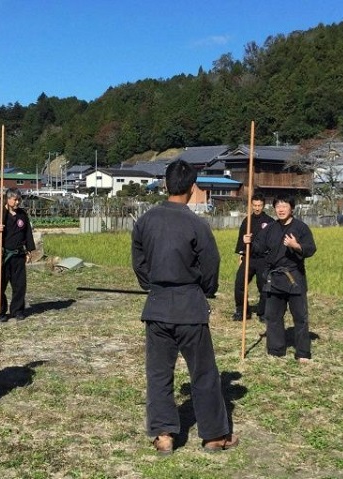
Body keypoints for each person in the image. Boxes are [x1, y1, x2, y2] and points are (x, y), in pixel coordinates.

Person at [131, 159, 239, 455]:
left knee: (158, 373)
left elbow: (139, 263)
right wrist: (205, 289)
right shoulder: (197, 224)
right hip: (191, 307)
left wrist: (149, 284)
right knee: (203, 373)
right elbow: (211, 264)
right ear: (193, 189)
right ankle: (215, 436)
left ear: (165, 185)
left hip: (157, 307)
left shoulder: (145, 221)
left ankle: (163, 435)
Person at [244, 193, 316, 364]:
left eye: (284, 206)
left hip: (294, 276)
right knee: (273, 315)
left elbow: (311, 249)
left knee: (300, 316)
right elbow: (259, 248)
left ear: (291, 208)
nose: (281, 209)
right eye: (278, 206)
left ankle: (303, 353)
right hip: (274, 277)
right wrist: (248, 242)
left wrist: (296, 246)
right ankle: (276, 350)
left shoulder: (301, 228)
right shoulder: (269, 228)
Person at [0, 188, 35, 323]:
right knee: (0, 284)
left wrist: (29, 250)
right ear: (8, 199)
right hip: (3, 253)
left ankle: (17, 310)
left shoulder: (22, 214)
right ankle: (0, 312)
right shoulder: (0, 213)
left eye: (19, 199)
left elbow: (27, 233)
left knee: (20, 284)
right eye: (15, 199)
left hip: (18, 254)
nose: (17, 202)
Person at [232, 191, 273, 321]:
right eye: (254, 205)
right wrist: (241, 252)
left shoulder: (270, 222)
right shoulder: (247, 221)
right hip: (248, 258)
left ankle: (263, 313)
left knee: (263, 286)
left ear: (264, 205)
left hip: (263, 259)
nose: (257, 208)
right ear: (251, 205)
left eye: (259, 205)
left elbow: (273, 243)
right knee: (239, 284)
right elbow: (240, 240)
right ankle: (242, 311)